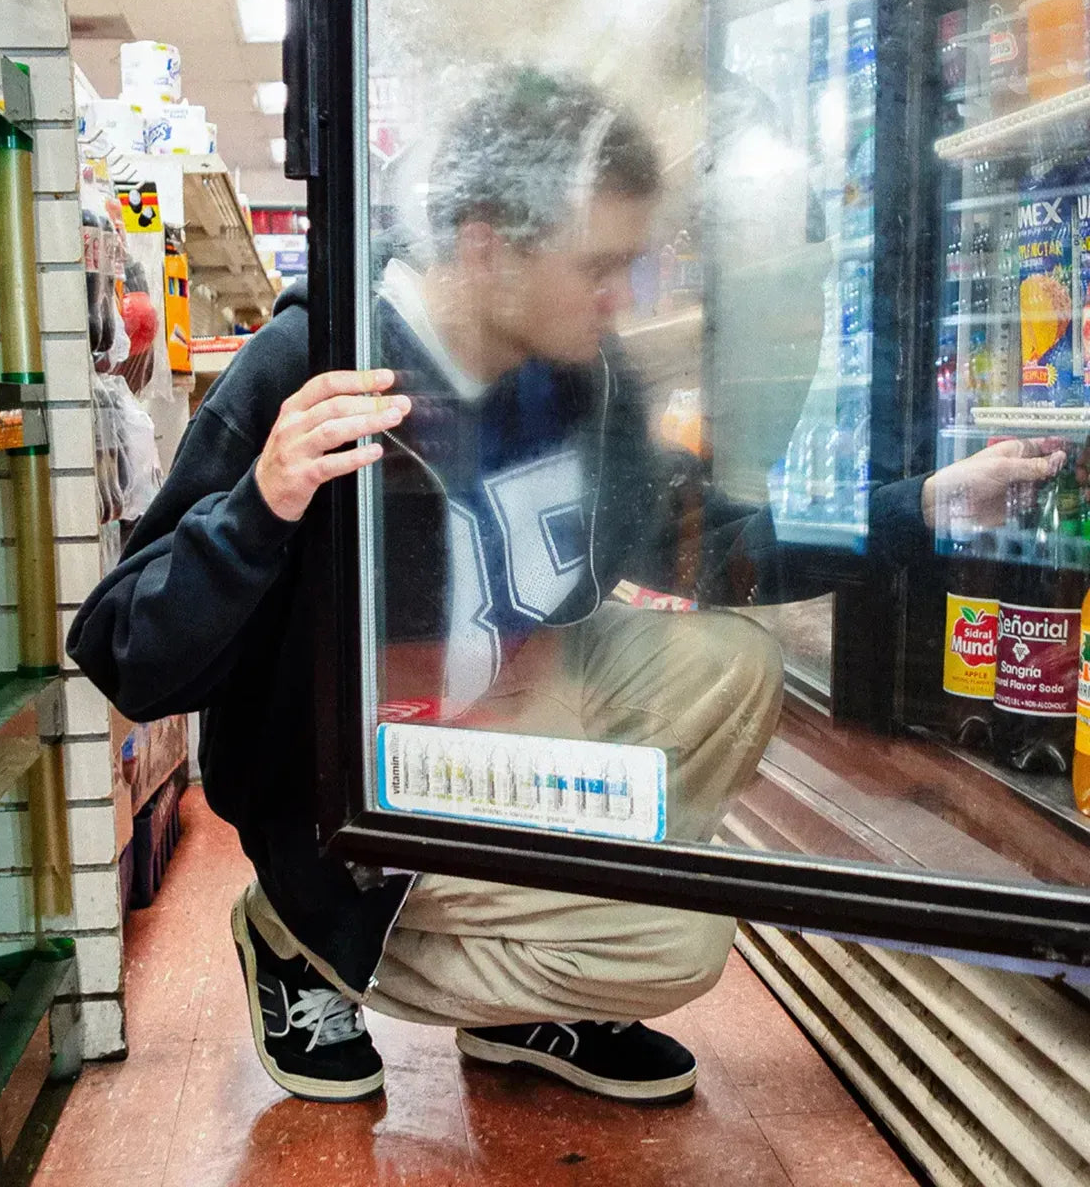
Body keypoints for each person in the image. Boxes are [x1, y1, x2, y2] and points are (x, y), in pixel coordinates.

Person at [68, 67, 1065, 1108]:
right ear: (487, 247)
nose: (623, 296)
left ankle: (528, 1002)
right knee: (675, 940)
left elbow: (706, 546)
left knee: (728, 665)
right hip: (359, 799)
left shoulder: (585, 378)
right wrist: (262, 504)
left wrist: (922, 506)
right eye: (601, 266)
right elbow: (127, 654)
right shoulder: (314, 364)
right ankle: (302, 939)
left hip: (508, 731)